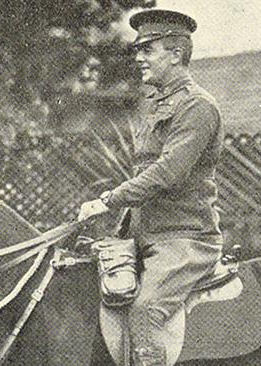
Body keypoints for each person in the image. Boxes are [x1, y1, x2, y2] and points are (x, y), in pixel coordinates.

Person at [78, 9, 224, 366]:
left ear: (176, 54)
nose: (139, 57)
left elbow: (167, 173)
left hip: (185, 239)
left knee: (146, 312)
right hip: (146, 237)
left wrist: (109, 200)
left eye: (148, 49)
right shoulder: (157, 105)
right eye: (138, 49)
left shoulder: (197, 106)